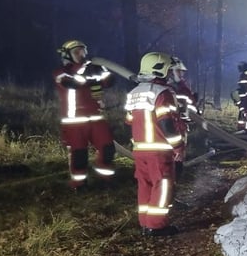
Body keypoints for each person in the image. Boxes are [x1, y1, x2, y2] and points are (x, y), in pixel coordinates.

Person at [125, 52, 184, 237]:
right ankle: (156, 226)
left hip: (140, 149)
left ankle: (145, 222)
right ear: (160, 70)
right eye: (167, 70)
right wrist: (178, 146)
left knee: (145, 185)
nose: (169, 74)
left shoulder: (134, 93)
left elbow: (128, 120)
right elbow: (166, 122)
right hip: (159, 150)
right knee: (163, 185)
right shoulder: (162, 93)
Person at [52, 39, 116, 189]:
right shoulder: (61, 72)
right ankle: (79, 184)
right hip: (74, 121)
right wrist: (90, 74)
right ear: (67, 55)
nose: (81, 54)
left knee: (108, 149)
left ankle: (105, 180)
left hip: (97, 118)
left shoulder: (95, 67)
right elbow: (74, 83)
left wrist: (100, 72)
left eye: (83, 51)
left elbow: (110, 80)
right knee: (79, 155)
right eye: (77, 52)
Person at [168, 57, 198, 180]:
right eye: (178, 71)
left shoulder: (182, 87)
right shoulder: (164, 88)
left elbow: (189, 106)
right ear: (169, 71)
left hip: (180, 125)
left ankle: (175, 181)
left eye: (182, 72)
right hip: (168, 126)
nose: (181, 74)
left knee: (178, 156)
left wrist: (193, 105)